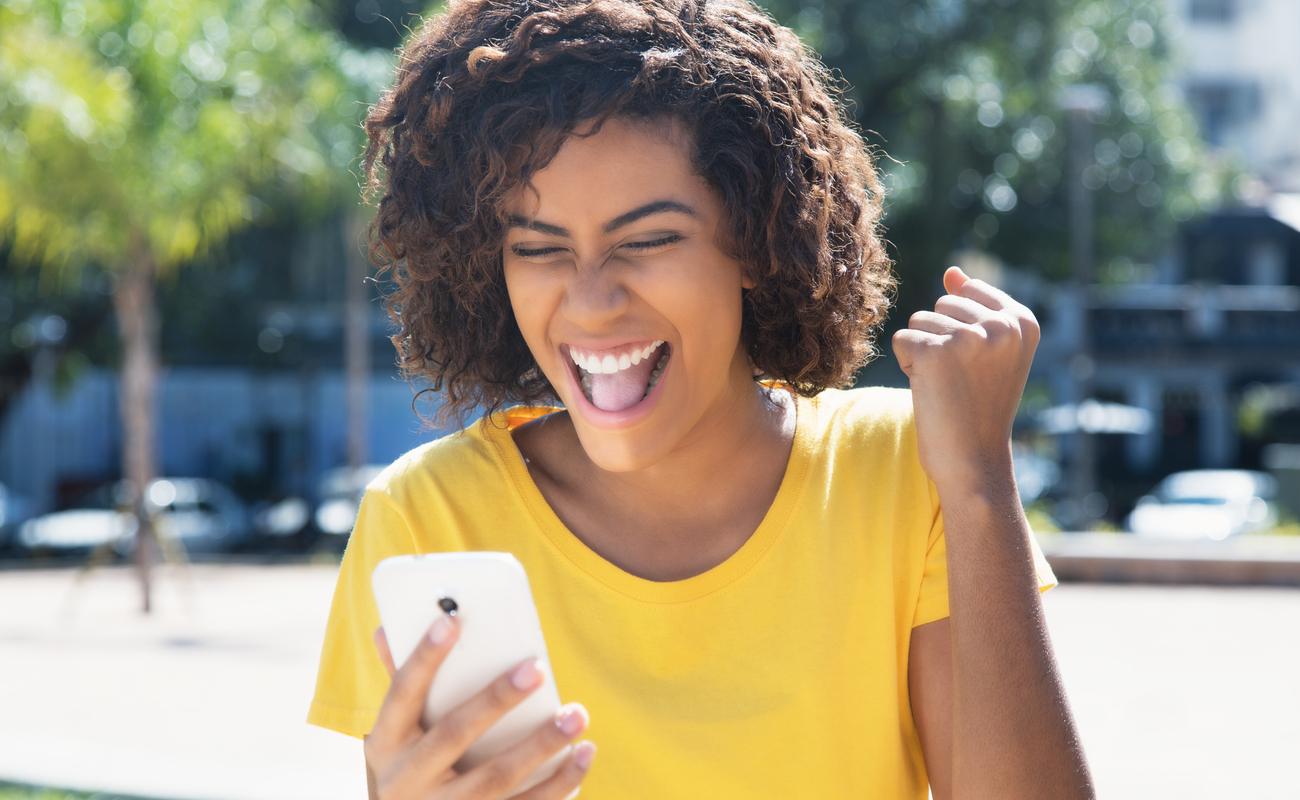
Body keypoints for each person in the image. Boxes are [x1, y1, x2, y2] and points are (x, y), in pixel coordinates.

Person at [307, 0, 1096, 797]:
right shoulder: (427, 519)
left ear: (755, 241)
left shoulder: (908, 470)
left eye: (648, 240)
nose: (589, 301)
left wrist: (981, 484)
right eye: (540, 249)